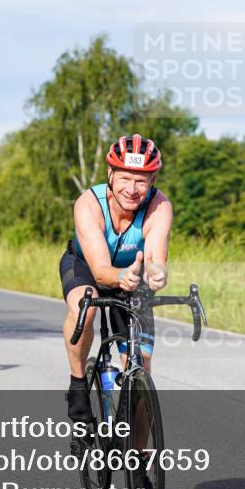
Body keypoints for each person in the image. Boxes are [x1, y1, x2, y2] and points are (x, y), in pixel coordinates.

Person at [59, 134, 173, 425]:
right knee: (87, 306)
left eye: (141, 181)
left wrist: (156, 274)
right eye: (124, 179)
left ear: (153, 180)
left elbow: (156, 259)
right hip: (85, 267)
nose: (132, 190)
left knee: (141, 368)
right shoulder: (88, 204)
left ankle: (139, 461)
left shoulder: (159, 207)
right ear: (110, 174)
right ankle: (78, 383)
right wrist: (123, 276)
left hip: (133, 279)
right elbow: (100, 271)